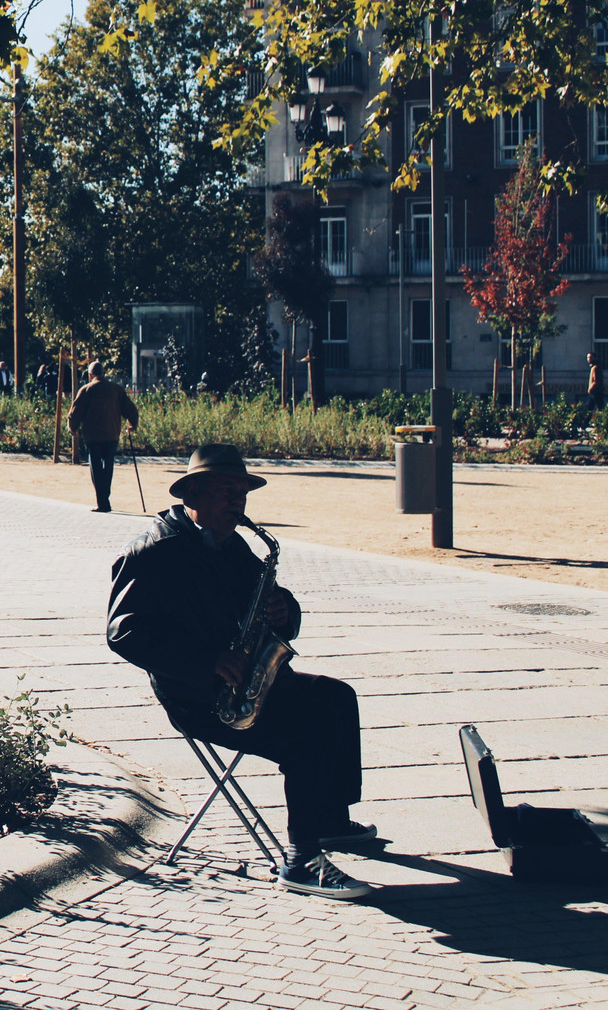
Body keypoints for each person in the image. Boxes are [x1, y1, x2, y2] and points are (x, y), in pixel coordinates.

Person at [107, 446, 377, 901]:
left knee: (336, 697)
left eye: (243, 494)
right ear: (193, 491)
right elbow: (124, 633)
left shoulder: (233, 546)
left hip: (249, 679)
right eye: (227, 491)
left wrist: (285, 609)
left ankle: (329, 819)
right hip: (198, 697)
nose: (238, 502)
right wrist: (206, 661)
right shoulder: (153, 552)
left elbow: (271, 599)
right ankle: (301, 860)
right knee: (305, 733)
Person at [68, 360, 139, 513]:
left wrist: (73, 428)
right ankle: (105, 496)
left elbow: (75, 411)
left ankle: (102, 502)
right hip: (112, 434)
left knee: (96, 469)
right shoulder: (116, 389)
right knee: (108, 467)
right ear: (104, 373)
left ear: (90, 374)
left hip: (93, 437)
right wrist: (132, 424)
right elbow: (130, 409)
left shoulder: (87, 389)